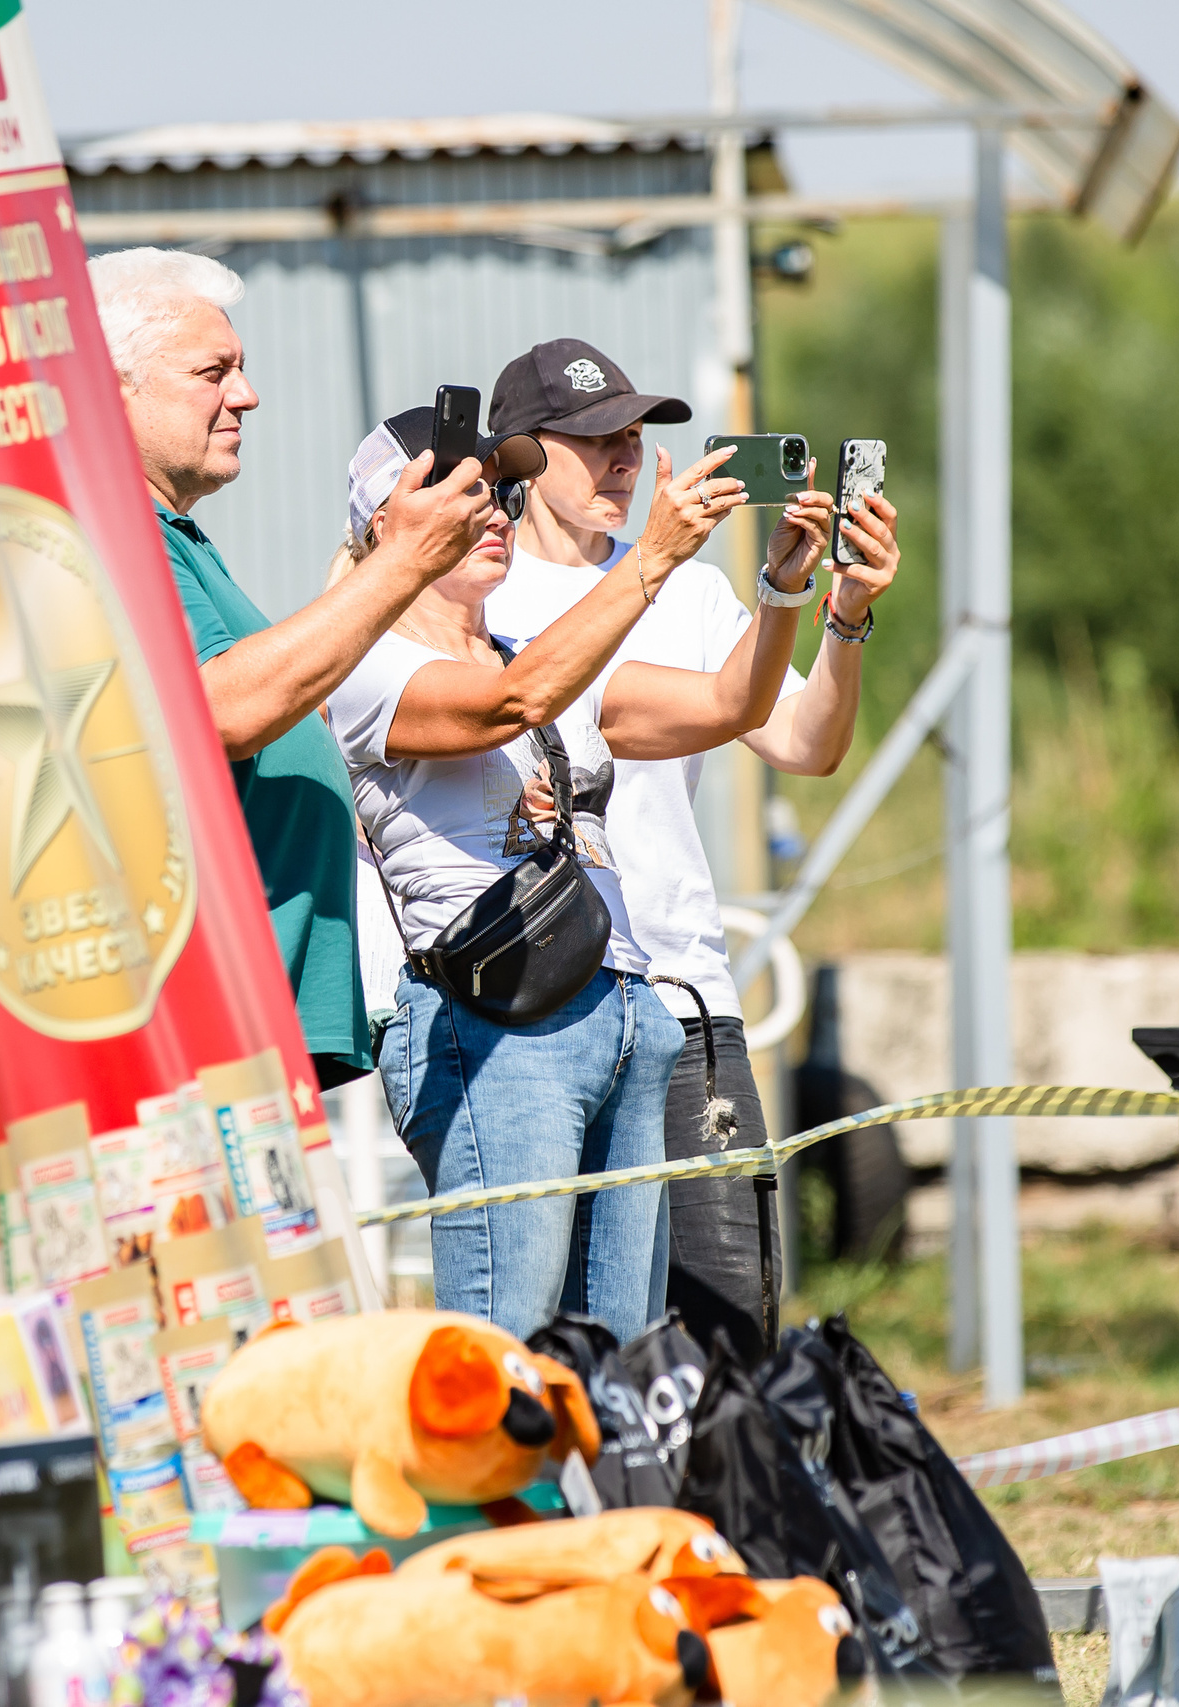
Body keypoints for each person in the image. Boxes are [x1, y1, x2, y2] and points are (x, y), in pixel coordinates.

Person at [328, 405, 832, 1341]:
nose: (494, 514)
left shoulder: (533, 656)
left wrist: (791, 595)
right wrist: (652, 559)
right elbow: (510, 704)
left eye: (501, 493)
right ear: (383, 526)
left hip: (627, 1014)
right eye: (464, 493)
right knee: (511, 1354)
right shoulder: (363, 663)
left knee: (622, 1360)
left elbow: (736, 702)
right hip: (496, 1027)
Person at [480, 339, 901, 1355]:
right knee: (554, 1336)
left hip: (683, 998)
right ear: (522, 457)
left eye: (634, 436)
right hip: (533, 1012)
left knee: (729, 1330)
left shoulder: (697, 595)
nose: (624, 459)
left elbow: (805, 743)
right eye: (594, 440)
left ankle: (709, 1519)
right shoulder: (473, 596)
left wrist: (839, 615)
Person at [87, 248, 499, 1090]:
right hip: (196, 1037)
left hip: (246, 1034)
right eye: (214, 371)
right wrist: (407, 562)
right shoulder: (114, 526)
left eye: (242, 369)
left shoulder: (176, 540)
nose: (247, 394)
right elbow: (223, 710)